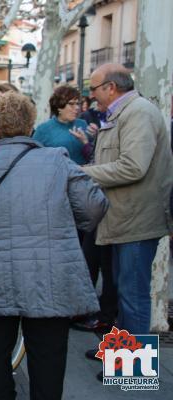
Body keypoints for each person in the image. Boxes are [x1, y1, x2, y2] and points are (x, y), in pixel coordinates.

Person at [0, 91, 108, 400]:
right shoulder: (57, 159)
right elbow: (94, 206)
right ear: (31, 123)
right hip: (48, 277)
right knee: (48, 360)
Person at [82, 63, 173, 336]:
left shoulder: (138, 113)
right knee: (125, 295)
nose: (91, 95)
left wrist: (81, 173)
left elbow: (133, 166)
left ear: (111, 88)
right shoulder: (124, 113)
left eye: (94, 88)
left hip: (136, 221)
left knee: (133, 298)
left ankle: (133, 375)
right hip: (123, 219)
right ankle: (120, 357)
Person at [32, 85, 92, 165]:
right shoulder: (43, 129)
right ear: (59, 107)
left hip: (82, 175)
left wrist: (88, 141)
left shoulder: (83, 124)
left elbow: (93, 157)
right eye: (71, 104)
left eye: (77, 103)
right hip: (55, 176)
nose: (77, 107)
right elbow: (34, 158)